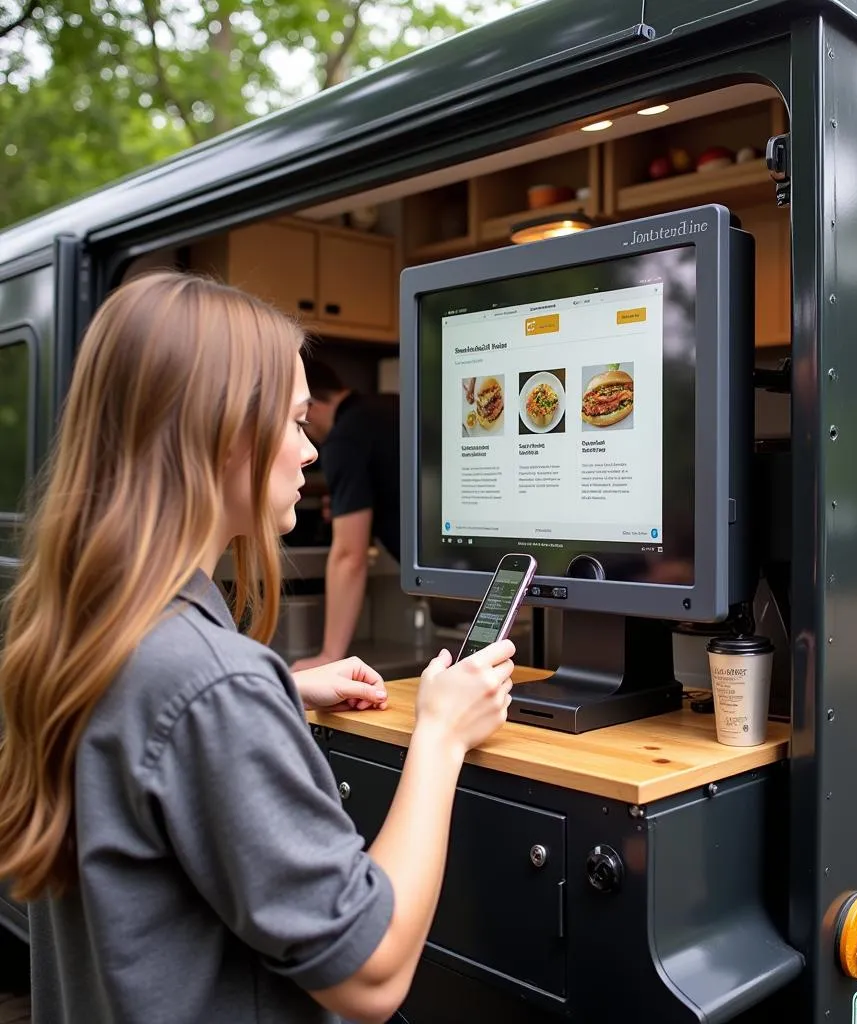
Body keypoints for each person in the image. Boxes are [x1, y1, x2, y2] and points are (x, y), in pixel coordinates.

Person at [0, 271, 516, 1024]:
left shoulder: (81, 633)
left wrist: (274, 689)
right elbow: (370, 975)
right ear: (223, 434)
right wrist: (441, 735)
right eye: (296, 423)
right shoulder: (210, 686)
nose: (309, 454)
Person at [292, 360, 400, 672]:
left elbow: (349, 555)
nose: (309, 447)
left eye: (299, 423)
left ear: (308, 409)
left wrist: (329, 656)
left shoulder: (344, 437)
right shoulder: (391, 404)